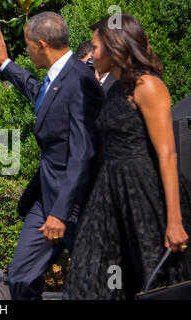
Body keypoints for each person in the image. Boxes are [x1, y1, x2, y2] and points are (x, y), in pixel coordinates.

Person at [63, 14, 191, 300]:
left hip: (146, 198)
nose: (93, 55)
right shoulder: (116, 91)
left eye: (96, 47)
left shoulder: (149, 86)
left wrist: (174, 220)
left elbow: (167, 154)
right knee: (90, 278)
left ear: (115, 46)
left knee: (152, 278)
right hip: (110, 199)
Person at [0, 12, 103, 300]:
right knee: (21, 279)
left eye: (26, 44)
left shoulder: (81, 80)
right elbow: (39, 93)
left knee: (94, 288)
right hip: (46, 197)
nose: (25, 50)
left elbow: (83, 153)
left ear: (41, 44)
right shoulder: (59, 77)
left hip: (75, 204)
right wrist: (6, 64)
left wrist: (61, 213)